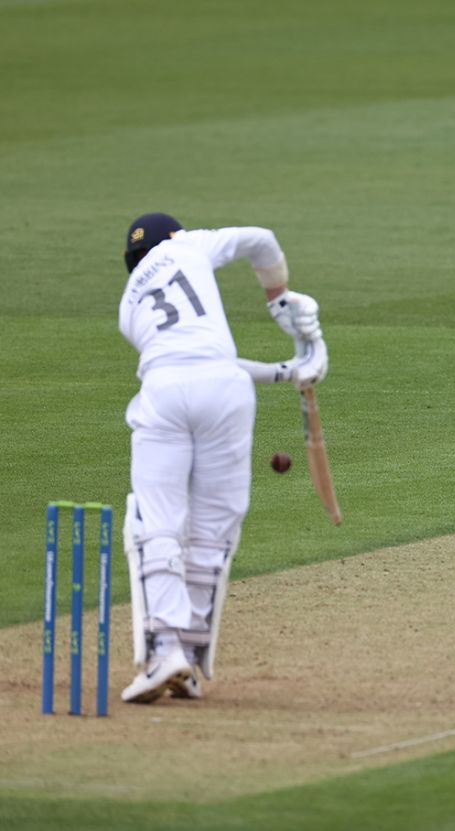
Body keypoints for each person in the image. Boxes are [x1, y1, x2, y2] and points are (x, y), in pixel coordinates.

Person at [117, 212, 328, 703]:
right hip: (226, 391)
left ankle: (165, 651)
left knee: (159, 522)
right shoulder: (188, 245)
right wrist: (279, 303)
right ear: (173, 236)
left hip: (165, 391)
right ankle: (188, 660)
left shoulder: (129, 305)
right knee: (213, 529)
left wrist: (288, 371)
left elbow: (184, 359)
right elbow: (263, 240)